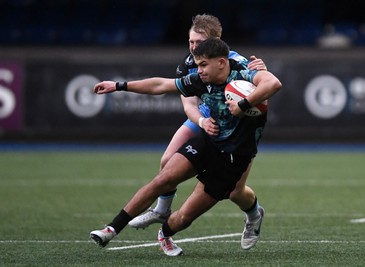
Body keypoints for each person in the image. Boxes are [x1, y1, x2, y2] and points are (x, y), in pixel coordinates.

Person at [90, 38, 282, 256]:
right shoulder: (200, 80)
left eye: (203, 65)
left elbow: (273, 83)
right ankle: (111, 229)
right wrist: (118, 86)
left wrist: (243, 104)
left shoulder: (245, 72)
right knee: (163, 179)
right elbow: (161, 85)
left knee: (183, 218)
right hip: (207, 142)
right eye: (197, 65)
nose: (198, 70)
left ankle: (165, 233)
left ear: (221, 62)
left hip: (233, 158)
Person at [129, 14, 267, 230]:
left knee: (235, 192)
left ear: (216, 41)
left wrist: (261, 74)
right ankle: (162, 210)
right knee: (167, 161)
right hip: (203, 116)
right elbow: (189, 106)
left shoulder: (237, 63)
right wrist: (202, 121)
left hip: (233, 124)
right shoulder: (187, 64)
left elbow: (263, 91)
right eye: (191, 42)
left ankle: (253, 212)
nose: (194, 48)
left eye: (199, 43)